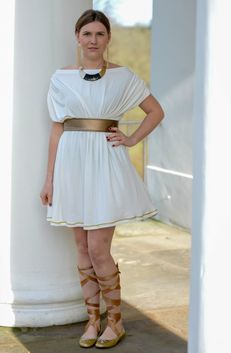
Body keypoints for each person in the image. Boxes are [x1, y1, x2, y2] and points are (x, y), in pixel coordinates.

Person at [40, 8, 164, 349]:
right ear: (77, 38)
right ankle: (92, 321)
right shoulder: (61, 78)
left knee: (98, 247)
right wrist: (50, 179)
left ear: (107, 39)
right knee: (81, 247)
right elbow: (56, 130)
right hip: (71, 164)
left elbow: (155, 111)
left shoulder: (122, 77)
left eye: (99, 34)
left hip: (104, 164)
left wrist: (132, 139)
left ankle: (116, 321)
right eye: (87, 34)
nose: (93, 40)